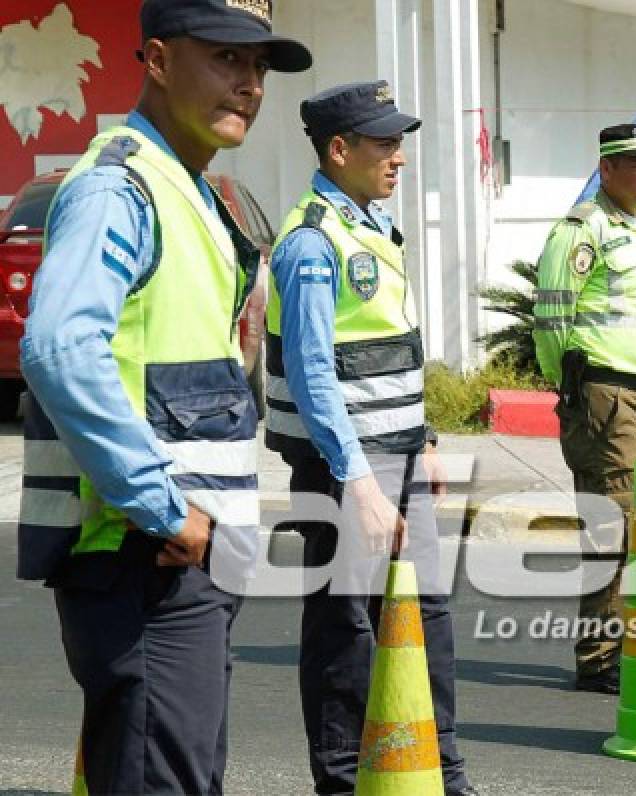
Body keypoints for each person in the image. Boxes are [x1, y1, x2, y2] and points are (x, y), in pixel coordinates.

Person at [15, 1, 311, 792]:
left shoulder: (187, 189)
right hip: (143, 558)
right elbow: (57, 348)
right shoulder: (121, 189)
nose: (248, 84)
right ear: (155, 61)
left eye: (258, 68)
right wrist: (164, 507)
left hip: (183, 561)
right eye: (226, 59)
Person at [264, 81, 475, 796]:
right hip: (343, 471)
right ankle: (344, 783)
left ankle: (438, 773)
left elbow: (391, 351)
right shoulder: (312, 241)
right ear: (339, 149)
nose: (400, 158)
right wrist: (357, 482)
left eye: (399, 143)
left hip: (400, 455)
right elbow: (316, 374)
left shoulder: (371, 226)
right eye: (385, 144)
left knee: (423, 620)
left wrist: (427, 441)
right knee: (347, 629)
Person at [533, 124, 636, 695]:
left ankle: (620, 645)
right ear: (607, 169)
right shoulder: (581, 230)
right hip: (606, 397)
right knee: (611, 526)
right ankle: (598, 657)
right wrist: (571, 390)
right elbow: (550, 322)